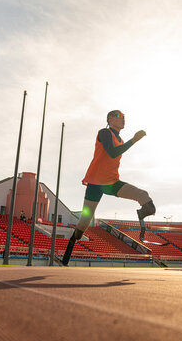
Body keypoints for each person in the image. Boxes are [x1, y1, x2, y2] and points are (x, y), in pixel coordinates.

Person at [62, 110, 156, 266]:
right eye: (120, 117)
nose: (123, 120)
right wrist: (134, 140)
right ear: (110, 119)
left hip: (112, 184)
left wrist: (131, 140)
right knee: (84, 222)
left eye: (125, 117)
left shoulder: (120, 139)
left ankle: (143, 215)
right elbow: (112, 153)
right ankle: (71, 243)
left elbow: (115, 154)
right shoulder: (104, 133)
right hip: (96, 184)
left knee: (144, 196)